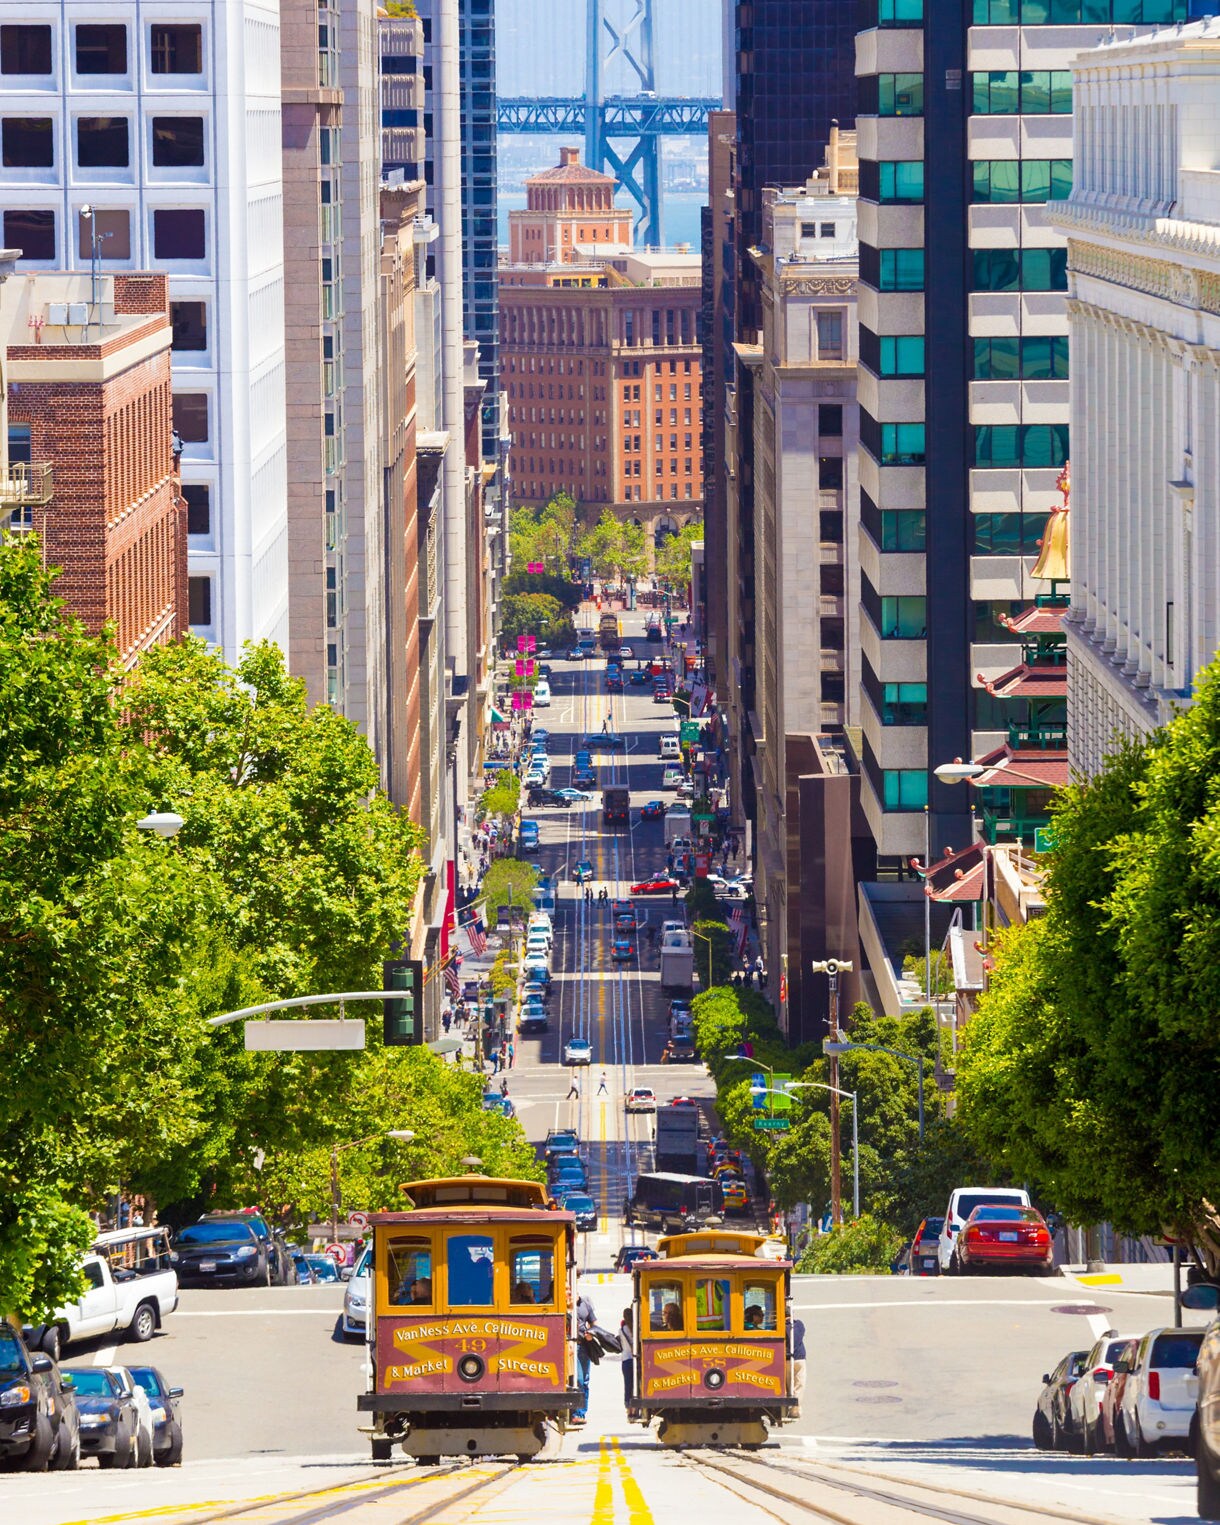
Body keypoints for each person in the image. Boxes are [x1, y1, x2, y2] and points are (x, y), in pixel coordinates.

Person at [573, 1282, 597, 1426]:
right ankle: (574, 1413)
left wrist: (591, 1333)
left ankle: (581, 1413)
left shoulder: (585, 1304)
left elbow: (594, 1322)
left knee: (585, 1381)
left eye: (572, 1289)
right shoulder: (565, 1305)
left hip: (583, 1347)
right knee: (578, 1380)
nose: (571, 1293)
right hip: (570, 1346)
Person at [619, 1307, 636, 1414]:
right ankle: (635, 1409)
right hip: (634, 1359)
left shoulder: (622, 1330)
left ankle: (629, 1409)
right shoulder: (635, 1329)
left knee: (628, 1384)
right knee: (635, 1384)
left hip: (626, 1359)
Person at [790, 1315, 806, 1419]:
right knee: (799, 1384)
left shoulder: (779, 1328)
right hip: (799, 1358)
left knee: (787, 1383)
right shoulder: (798, 1325)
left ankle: (788, 1406)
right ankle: (795, 1409)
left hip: (786, 1359)